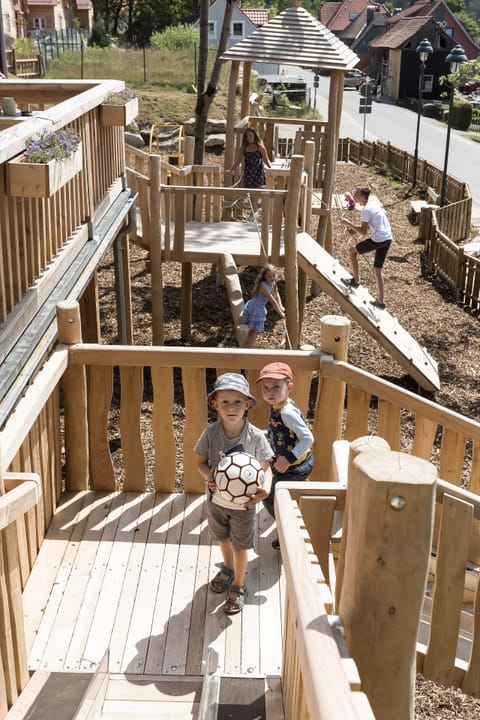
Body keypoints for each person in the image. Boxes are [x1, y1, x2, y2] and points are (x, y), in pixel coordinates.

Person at [194, 373, 273, 614]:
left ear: (248, 404)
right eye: (225, 402)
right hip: (216, 501)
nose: (231, 407)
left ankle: (239, 584)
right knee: (223, 539)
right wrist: (210, 476)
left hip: (244, 506)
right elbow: (201, 463)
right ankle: (227, 568)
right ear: (215, 404)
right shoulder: (211, 433)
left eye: (237, 401)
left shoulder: (256, 436)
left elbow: (266, 467)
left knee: (240, 545)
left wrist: (266, 488)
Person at [256, 362, 314, 549]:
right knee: (282, 497)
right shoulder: (280, 405)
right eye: (265, 388)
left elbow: (307, 438)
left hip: (294, 467)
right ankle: (291, 523)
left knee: (271, 496)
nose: (270, 392)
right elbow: (286, 432)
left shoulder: (286, 412)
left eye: (276, 387)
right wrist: (268, 433)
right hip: (292, 464)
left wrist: (288, 460)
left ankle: (289, 531)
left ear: (289, 387)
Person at [340, 187, 393, 310]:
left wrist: (348, 223)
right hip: (387, 238)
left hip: (378, 239)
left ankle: (355, 280)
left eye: (357, 195)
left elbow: (363, 232)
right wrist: (354, 229)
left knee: (352, 251)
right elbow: (372, 224)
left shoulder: (366, 210)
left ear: (364, 197)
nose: (354, 196)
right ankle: (380, 301)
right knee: (377, 269)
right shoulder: (373, 204)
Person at [227, 127, 271, 216]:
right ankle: (253, 212)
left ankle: (253, 212)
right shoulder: (243, 148)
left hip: (258, 172)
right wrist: (230, 170)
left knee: (256, 192)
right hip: (248, 173)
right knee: (250, 193)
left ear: (255, 136)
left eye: (250, 135)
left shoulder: (260, 147)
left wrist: (272, 170)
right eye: (247, 136)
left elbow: (266, 160)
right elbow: (238, 161)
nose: (249, 138)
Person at [242, 264, 285, 349]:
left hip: (258, 306)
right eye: (269, 276)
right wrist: (280, 313)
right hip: (256, 308)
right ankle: (249, 350)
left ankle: (246, 347)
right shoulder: (264, 287)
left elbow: (277, 294)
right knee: (257, 331)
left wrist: (281, 306)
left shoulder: (273, 283)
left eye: (273, 275)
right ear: (264, 276)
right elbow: (272, 301)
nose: (272, 278)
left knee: (252, 329)